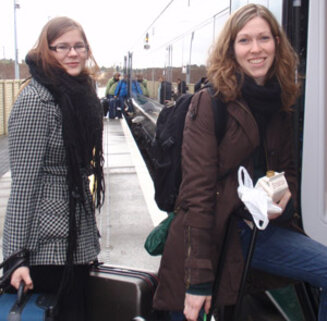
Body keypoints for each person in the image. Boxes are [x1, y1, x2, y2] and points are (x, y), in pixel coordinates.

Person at [153, 4, 327, 321]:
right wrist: (198, 282)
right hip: (213, 232)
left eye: (264, 38)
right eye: (244, 40)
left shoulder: (281, 101)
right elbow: (198, 196)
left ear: (277, 43)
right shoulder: (210, 103)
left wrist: (280, 199)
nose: (256, 49)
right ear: (231, 49)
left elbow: (287, 173)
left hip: (259, 229)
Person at [2, 16, 105, 321]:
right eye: (62, 47)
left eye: (78, 46)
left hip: (79, 237)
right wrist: (15, 258)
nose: (72, 53)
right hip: (45, 246)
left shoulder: (82, 95)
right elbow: (23, 185)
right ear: (47, 51)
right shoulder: (35, 100)